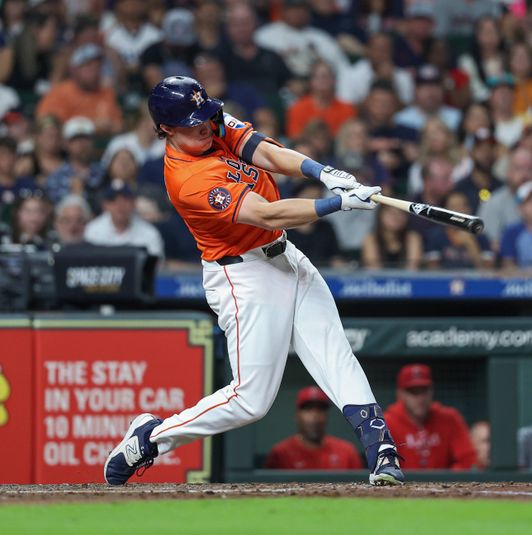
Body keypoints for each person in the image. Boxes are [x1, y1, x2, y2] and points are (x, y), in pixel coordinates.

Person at [104, 76, 404, 487]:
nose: (207, 125)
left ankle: (381, 450)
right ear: (166, 130)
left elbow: (263, 151)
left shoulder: (209, 119)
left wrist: (323, 171)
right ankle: (152, 437)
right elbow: (267, 213)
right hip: (243, 275)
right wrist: (338, 203)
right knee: (250, 400)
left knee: (336, 353)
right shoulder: (188, 181)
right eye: (194, 124)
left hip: (285, 255)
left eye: (207, 115)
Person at [383, 364, 478, 470]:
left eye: (424, 390)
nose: (420, 398)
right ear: (400, 394)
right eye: (413, 392)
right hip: (403, 485)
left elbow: (468, 461)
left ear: (432, 391)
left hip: (443, 485)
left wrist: (447, 481)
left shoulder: (449, 418)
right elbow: (384, 467)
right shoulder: (387, 423)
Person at [264, 386, 363, 470]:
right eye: (308, 409)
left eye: (320, 410)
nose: (314, 415)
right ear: (297, 415)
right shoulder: (280, 453)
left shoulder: (347, 452)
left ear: (326, 415)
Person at [35, 43, 123, 135]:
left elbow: (118, 126)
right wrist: (91, 126)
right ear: (74, 70)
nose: (94, 70)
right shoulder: (59, 93)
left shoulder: (106, 92)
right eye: (88, 65)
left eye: (97, 65)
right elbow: (47, 126)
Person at [254, 0, 349, 78]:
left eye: (302, 8)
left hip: (316, 91)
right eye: (293, 9)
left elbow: (342, 69)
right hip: (280, 88)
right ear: (283, 10)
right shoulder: (265, 35)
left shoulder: (322, 38)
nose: (298, 13)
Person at [84, 181, 164, 258]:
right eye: (113, 200)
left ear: (133, 204)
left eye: (125, 200)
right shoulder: (92, 230)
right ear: (105, 205)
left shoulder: (149, 233)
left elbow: (156, 266)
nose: (120, 205)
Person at [335, 32, 413, 106]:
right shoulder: (350, 74)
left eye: (385, 50)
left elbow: (406, 109)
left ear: (392, 52)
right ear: (367, 50)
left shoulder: (403, 77)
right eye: (377, 49)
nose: (380, 54)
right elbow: (347, 107)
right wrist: (379, 81)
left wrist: (390, 82)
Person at [423, 191, 494, 270]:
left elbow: (487, 274)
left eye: (461, 206)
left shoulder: (481, 238)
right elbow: (432, 272)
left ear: (468, 209)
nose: (458, 211)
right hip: (445, 281)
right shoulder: (436, 237)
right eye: (453, 207)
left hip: (473, 281)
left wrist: (471, 244)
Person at [286, 60, 356, 140]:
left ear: (334, 80)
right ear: (310, 82)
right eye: (317, 77)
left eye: (325, 77)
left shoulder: (347, 109)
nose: (322, 81)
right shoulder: (297, 108)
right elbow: (294, 138)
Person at [394, 65, 461, 134]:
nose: (431, 92)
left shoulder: (456, 117)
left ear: (443, 90)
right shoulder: (402, 120)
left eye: (435, 87)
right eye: (425, 88)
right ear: (415, 91)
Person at [361, 204, 423, 270]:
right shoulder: (370, 239)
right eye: (391, 213)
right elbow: (373, 268)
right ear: (380, 215)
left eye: (401, 213)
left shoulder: (413, 238)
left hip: (407, 279)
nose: (396, 217)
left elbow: (412, 268)